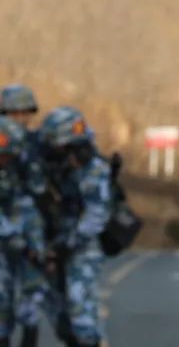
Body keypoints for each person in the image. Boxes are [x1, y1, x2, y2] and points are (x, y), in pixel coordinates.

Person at [38, 107, 111, 347]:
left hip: (82, 245)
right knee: (56, 311)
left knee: (80, 309)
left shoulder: (94, 168)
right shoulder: (49, 163)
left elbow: (96, 214)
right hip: (53, 240)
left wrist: (69, 244)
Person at [0, 86, 47, 347]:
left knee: (33, 293)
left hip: (30, 227)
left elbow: (41, 190)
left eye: (24, 113)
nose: (19, 119)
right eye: (13, 113)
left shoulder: (35, 144)